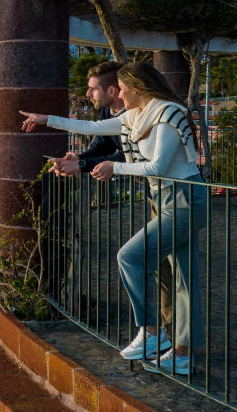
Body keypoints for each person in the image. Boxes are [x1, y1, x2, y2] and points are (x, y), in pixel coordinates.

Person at [20, 61, 206, 376]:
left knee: (130, 257)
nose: (118, 93)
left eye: (122, 87)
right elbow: (92, 129)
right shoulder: (136, 116)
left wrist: (114, 167)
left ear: (137, 88)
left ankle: (151, 332)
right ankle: (182, 354)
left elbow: (158, 166)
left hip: (184, 199)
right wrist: (46, 119)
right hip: (164, 199)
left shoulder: (167, 114)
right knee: (181, 278)